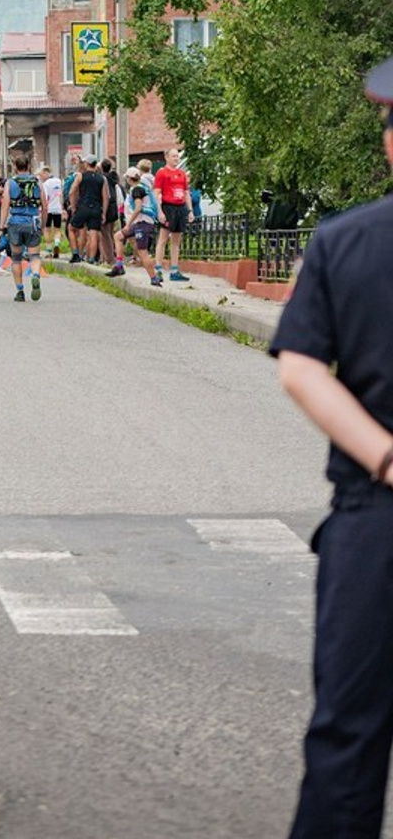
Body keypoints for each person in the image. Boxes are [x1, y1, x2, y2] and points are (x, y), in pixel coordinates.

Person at [271, 55, 393, 838]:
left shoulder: (348, 242)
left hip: (376, 520)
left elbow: (302, 368)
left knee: (349, 735)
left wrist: (384, 456)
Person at [0, 155, 46, 303]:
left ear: (15, 167)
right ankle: (36, 275)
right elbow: (44, 205)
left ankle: (20, 290)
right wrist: (43, 225)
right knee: (35, 256)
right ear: (29, 166)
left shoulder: (10, 183)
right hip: (32, 222)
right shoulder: (37, 182)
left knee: (16, 258)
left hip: (15, 223)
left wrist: (2, 227)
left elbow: (5, 206)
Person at [154, 147, 194, 281]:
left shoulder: (182, 174)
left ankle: (174, 270)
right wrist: (159, 211)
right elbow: (157, 193)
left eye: (177, 156)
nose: (176, 159)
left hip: (180, 206)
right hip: (168, 207)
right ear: (167, 157)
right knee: (163, 238)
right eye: (173, 156)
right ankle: (158, 269)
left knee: (176, 240)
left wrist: (190, 210)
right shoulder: (162, 173)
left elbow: (186, 192)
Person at [121, 166, 162, 287]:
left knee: (142, 251)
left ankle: (154, 277)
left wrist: (128, 223)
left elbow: (138, 207)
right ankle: (119, 264)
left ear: (129, 179)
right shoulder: (145, 188)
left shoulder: (136, 190)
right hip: (143, 221)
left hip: (142, 222)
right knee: (118, 236)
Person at [41, 165, 64, 258]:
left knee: (46, 229)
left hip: (48, 209)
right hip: (57, 208)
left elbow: (44, 197)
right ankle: (57, 244)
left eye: (41, 175)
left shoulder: (45, 184)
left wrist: (43, 209)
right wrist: (62, 207)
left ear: (46, 173)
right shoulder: (58, 181)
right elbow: (60, 195)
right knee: (57, 229)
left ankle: (49, 250)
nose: (41, 177)